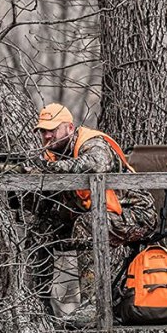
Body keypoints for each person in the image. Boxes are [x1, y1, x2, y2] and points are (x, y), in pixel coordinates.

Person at [30, 103, 157, 318]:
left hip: (137, 215)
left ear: (70, 128)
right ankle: (36, 307)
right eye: (43, 131)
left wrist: (47, 169)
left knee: (89, 224)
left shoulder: (91, 142)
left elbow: (96, 164)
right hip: (96, 215)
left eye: (53, 129)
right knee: (40, 229)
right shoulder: (52, 156)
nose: (47, 135)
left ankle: (92, 308)